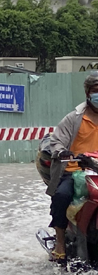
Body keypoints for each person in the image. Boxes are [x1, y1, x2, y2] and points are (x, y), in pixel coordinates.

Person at [47, 71, 98, 262]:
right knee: (61, 196)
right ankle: (60, 242)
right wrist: (62, 152)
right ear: (87, 93)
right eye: (96, 91)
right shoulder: (74, 118)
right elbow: (57, 141)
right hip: (75, 170)